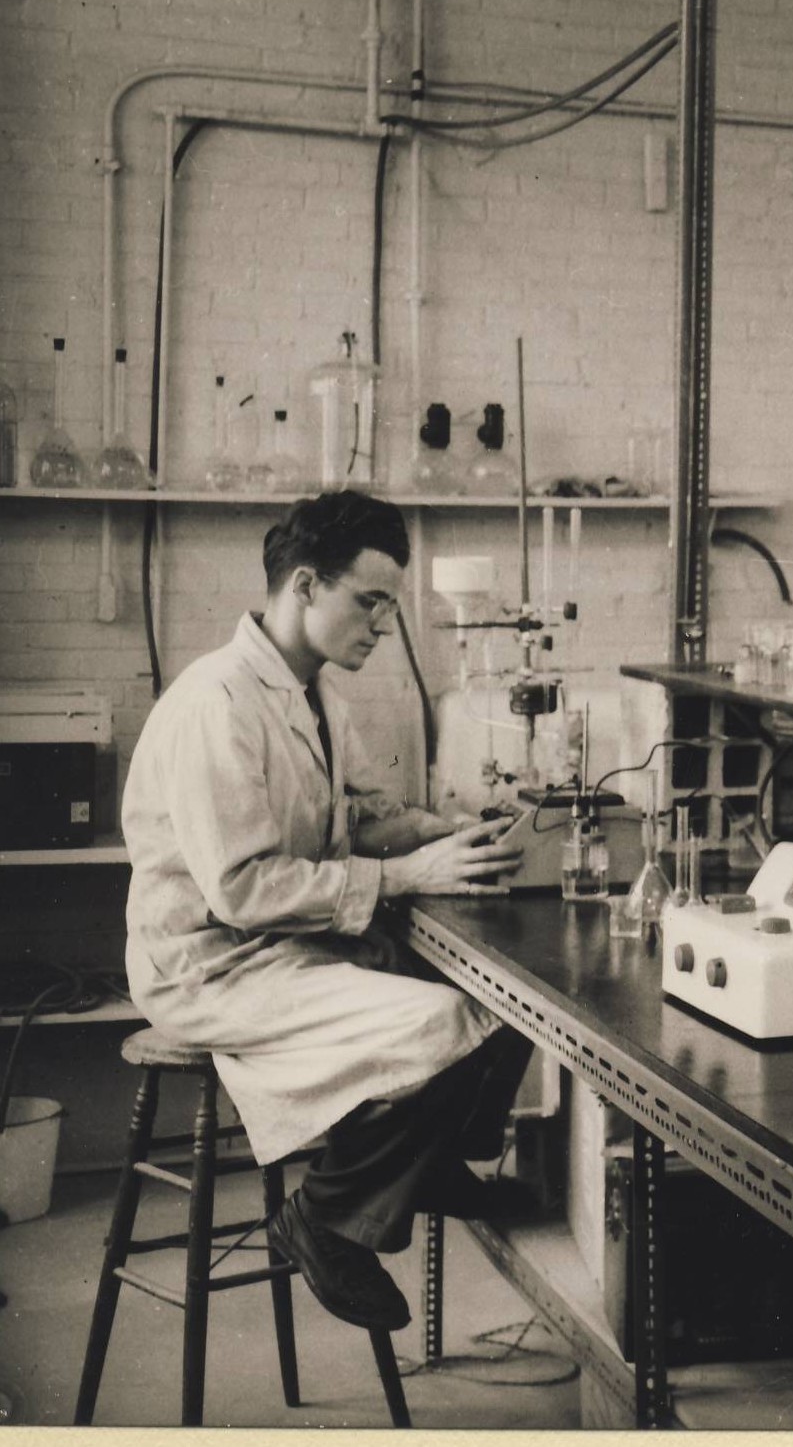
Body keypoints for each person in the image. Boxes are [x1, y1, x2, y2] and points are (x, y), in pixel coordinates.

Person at [122, 490, 533, 1333]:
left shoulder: (312, 694)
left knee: (518, 996)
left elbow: (351, 822)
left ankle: (429, 1162)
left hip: (282, 944)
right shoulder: (219, 703)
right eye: (370, 601)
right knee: (444, 1020)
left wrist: (436, 826)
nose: (384, 625)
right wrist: (411, 874)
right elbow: (242, 889)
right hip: (213, 964)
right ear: (306, 584)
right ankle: (327, 1215)